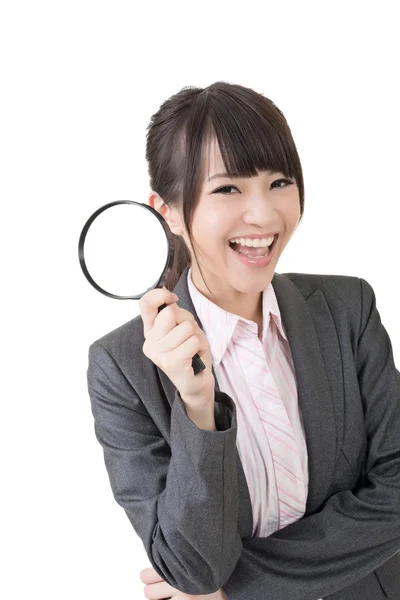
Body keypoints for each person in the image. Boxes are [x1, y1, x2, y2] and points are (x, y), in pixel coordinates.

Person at [86, 81, 400, 600]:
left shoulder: (349, 309)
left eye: (279, 182)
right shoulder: (121, 367)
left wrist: (244, 589)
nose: (264, 215)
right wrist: (197, 407)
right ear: (167, 210)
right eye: (228, 189)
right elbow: (194, 568)